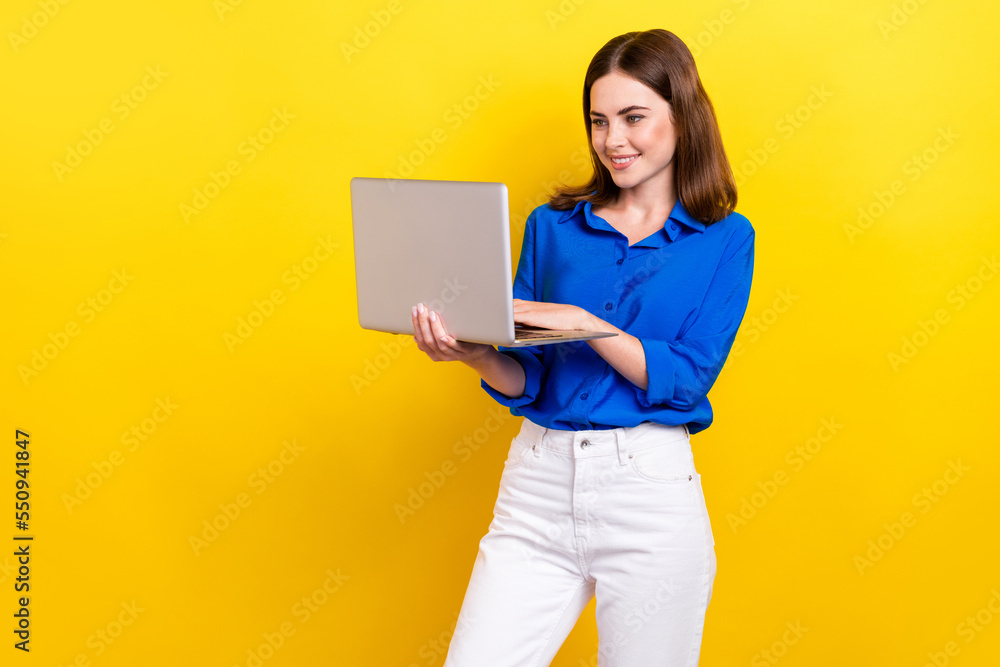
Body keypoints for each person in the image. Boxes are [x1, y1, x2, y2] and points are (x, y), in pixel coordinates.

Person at [411, 28, 754, 667]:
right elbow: (530, 377)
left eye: (633, 118)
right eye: (598, 121)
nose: (612, 141)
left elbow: (684, 378)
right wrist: (476, 355)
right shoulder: (554, 228)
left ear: (683, 116)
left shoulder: (724, 239)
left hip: (648, 493)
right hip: (538, 484)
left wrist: (580, 320)